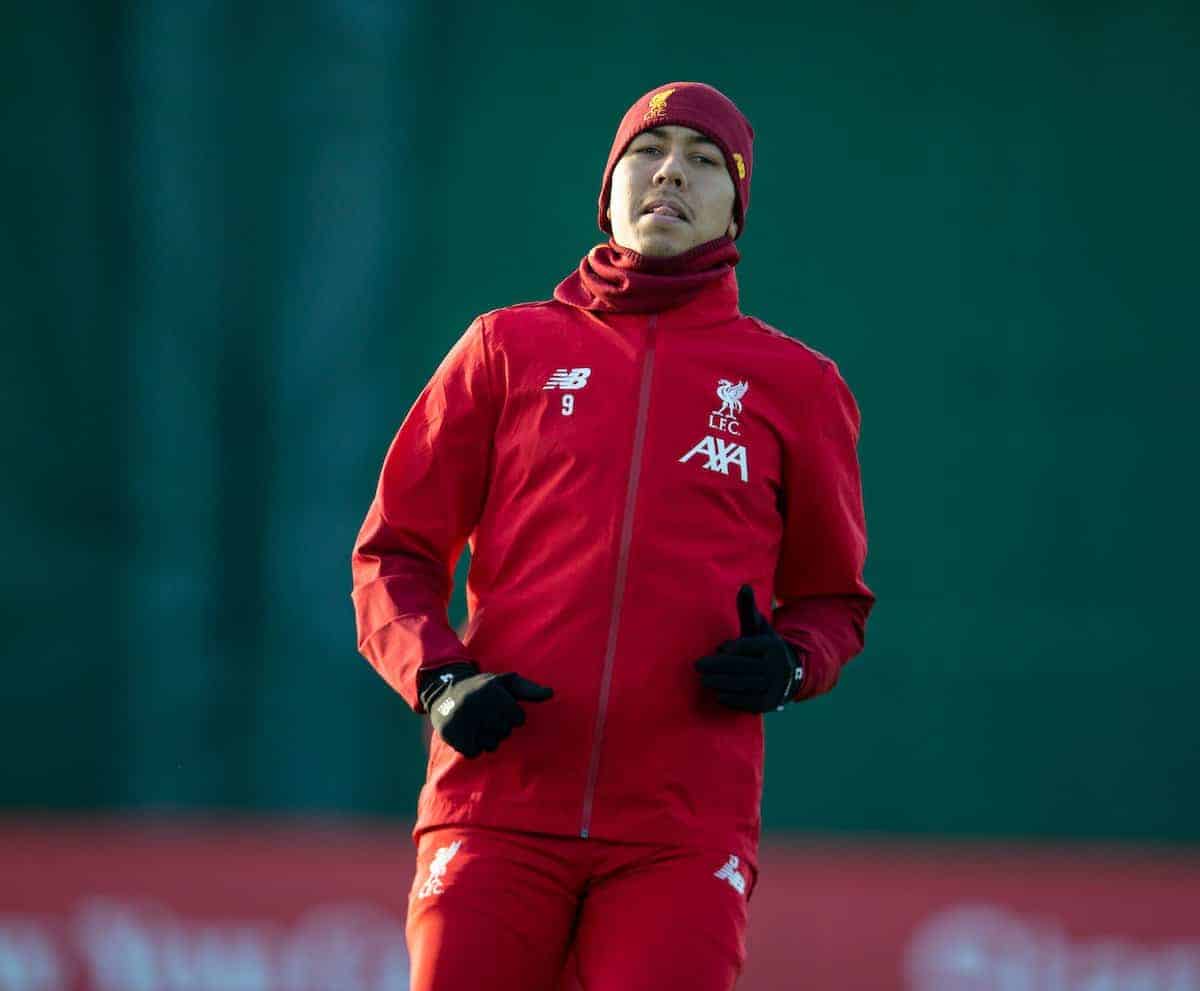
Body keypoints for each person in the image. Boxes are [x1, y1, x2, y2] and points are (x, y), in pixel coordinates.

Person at [351, 81, 874, 991]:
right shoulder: (503, 348)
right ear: (610, 190)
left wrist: (790, 663)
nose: (672, 171)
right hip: (495, 807)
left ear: (734, 206)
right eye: (649, 150)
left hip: (680, 831)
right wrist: (438, 678)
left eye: (705, 160)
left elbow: (833, 602)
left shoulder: (798, 384)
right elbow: (394, 553)